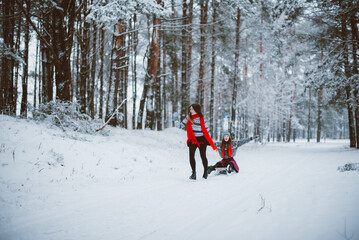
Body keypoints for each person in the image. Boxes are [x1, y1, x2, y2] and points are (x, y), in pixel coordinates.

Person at [178, 104, 217, 180]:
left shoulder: (202, 119)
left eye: (192, 109)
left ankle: (205, 172)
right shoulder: (188, 118)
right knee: (191, 156)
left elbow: (207, 130)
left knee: (203, 156)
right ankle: (193, 173)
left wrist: (209, 140)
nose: (190, 111)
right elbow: (181, 125)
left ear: (196, 110)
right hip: (192, 139)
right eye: (190, 109)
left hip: (202, 140)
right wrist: (177, 123)